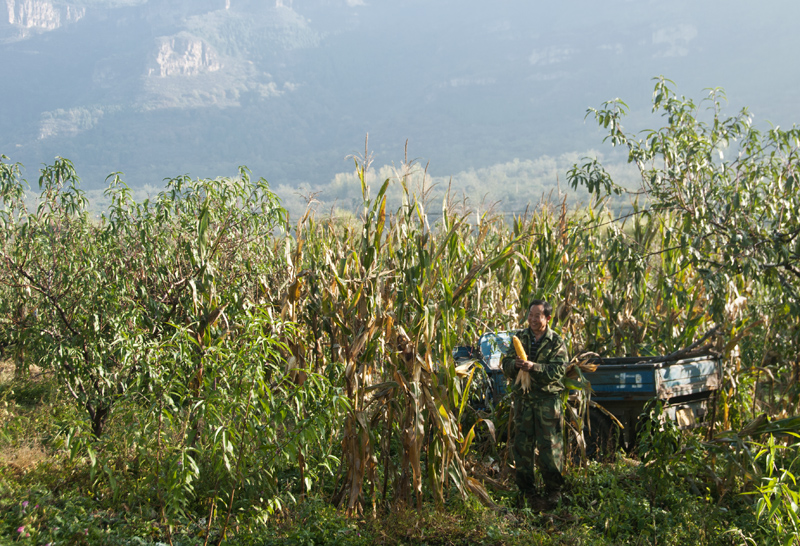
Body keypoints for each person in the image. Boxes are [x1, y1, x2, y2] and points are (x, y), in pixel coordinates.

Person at [501, 299, 569, 509]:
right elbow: (505, 364)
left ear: (547, 318)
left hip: (547, 402)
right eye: (530, 315)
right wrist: (514, 365)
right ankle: (527, 492)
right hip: (524, 402)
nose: (532, 319)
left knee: (550, 448)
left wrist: (534, 367)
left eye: (537, 316)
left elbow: (558, 371)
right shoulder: (520, 337)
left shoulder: (556, 341)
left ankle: (553, 491)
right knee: (522, 447)